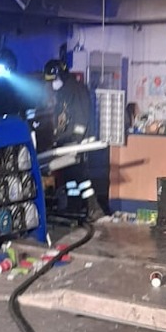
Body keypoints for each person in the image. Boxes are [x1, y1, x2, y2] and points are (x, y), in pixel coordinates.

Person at [44, 58, 104, 221]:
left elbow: (80, 116)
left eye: (54, 80)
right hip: (67, 140)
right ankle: (74, 205)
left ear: (62, 76)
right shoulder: (64, 91)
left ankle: (93, 207)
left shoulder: (76, 90)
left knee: (79, 174)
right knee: (70, 175)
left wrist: (76, 138)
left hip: (78, 140)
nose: (52, 84)